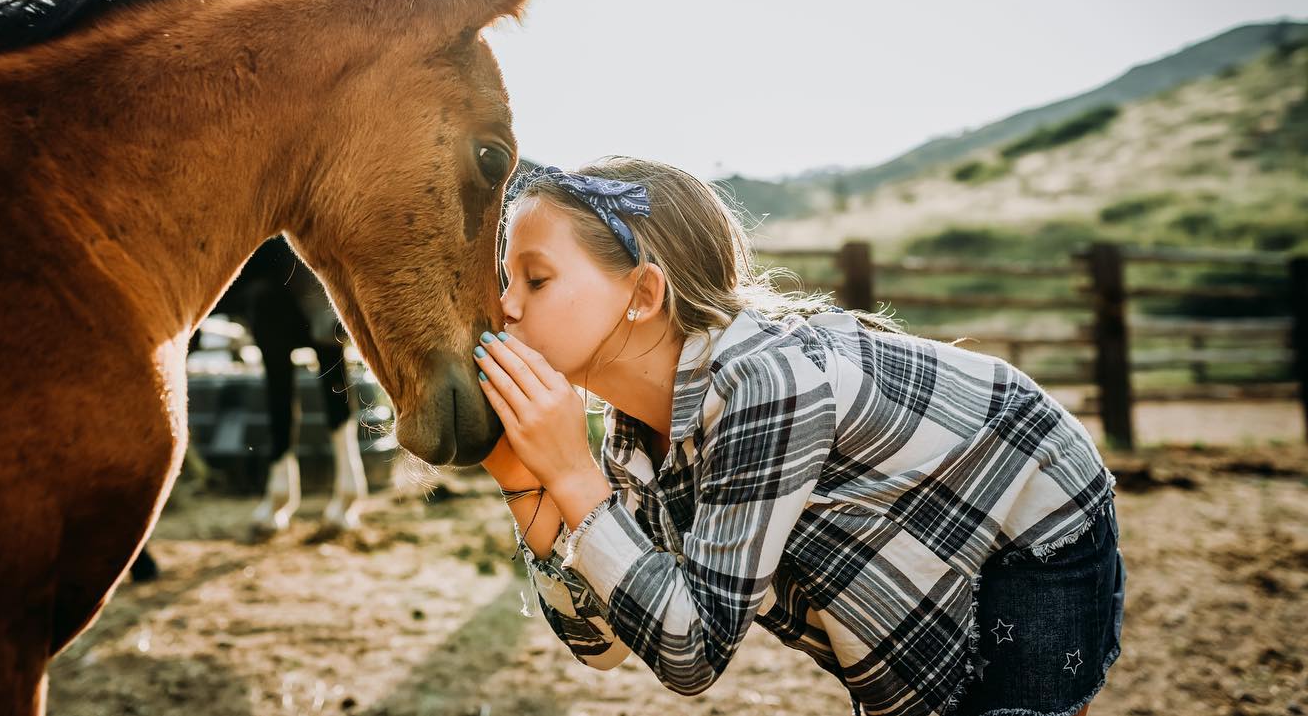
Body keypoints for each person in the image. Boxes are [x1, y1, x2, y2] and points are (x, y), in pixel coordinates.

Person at [472, 156, 1125, 716]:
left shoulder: (766, 384)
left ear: (643, 293)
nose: (506, 304)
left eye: (536, 277)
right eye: (506, 279)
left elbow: (691, 652)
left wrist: (573, 477)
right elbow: (609, 641)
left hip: (1028, 500)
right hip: (898, 529)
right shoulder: (632, 436)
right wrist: (527, 485)